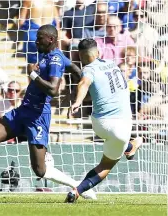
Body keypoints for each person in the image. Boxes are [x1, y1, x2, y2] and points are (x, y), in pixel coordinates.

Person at [0, 24, 96, 199]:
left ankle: (78, 186)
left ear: (51, 39)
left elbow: (53, 90)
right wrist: (84, 80)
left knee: (40, 170)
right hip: (22, 111)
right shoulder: (54, 56)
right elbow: (74, 69)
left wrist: (32, 75)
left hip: (37, 117)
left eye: (40, 38)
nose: (36, 41)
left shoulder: (55, 59)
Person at [65, 39, 142, 203]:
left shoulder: (88, 69)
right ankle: (77, 191)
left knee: (119, 143)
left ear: (80, 55)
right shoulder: (112, 63)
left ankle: (130, 146)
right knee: (105, 166)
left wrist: (78, 102)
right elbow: (86, 82)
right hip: (121, 124)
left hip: (99, 123)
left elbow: (84, 83)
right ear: (98, 52)